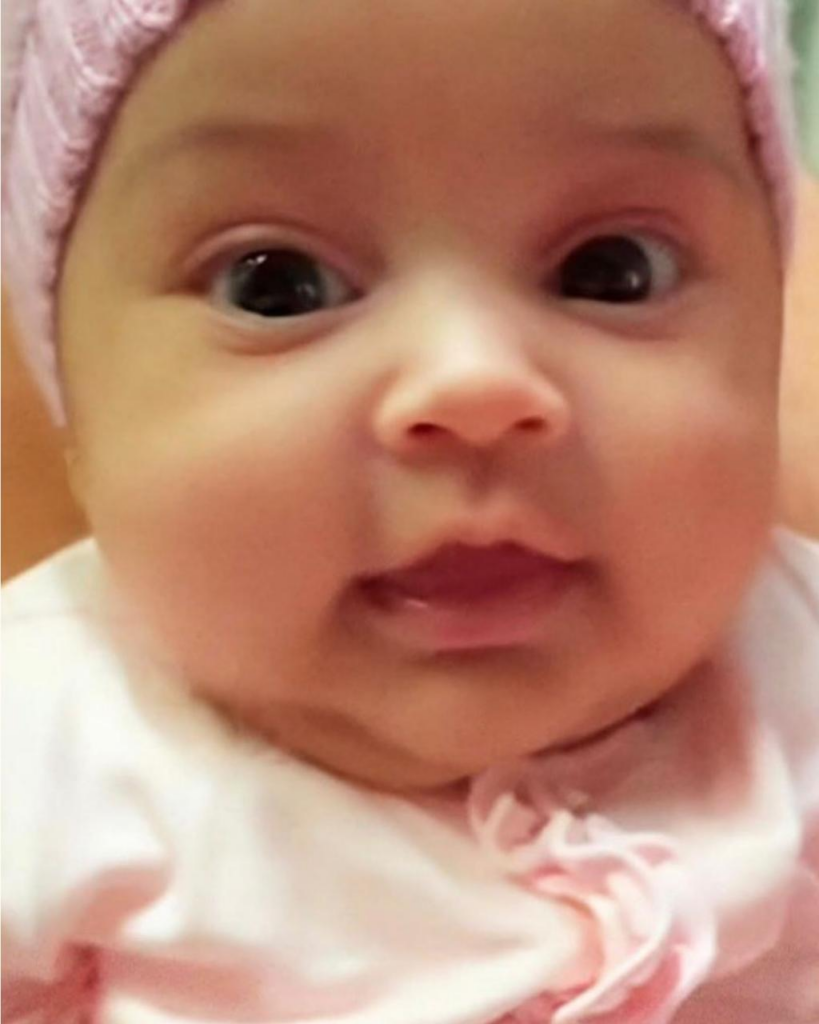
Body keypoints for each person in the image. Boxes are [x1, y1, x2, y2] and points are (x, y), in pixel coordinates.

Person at [2, 0, 817, 1020]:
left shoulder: (793, 661)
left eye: (612, 271)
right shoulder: (44, 745)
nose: (473, 383)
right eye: (278, 288)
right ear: (80, 422)